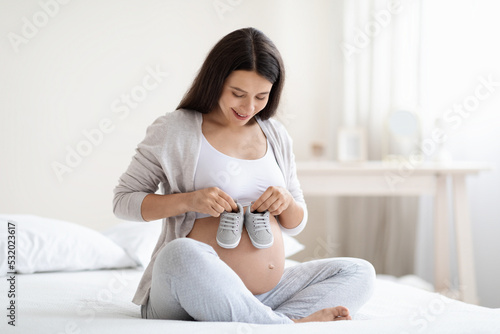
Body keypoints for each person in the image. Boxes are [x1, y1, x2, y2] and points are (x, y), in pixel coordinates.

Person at [113, 27, 375, 324]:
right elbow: (123, 201)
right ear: (215, 81)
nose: (249, 107)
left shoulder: (275, 133)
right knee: (178, 254)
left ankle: (262, 319)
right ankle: (282, 326)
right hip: (186, 295)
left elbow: (296, 224)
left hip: (264, 296)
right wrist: (188, 201)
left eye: (261, 96)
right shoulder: (174, 130)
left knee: (359, 272)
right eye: (238, 94)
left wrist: (286, 203)